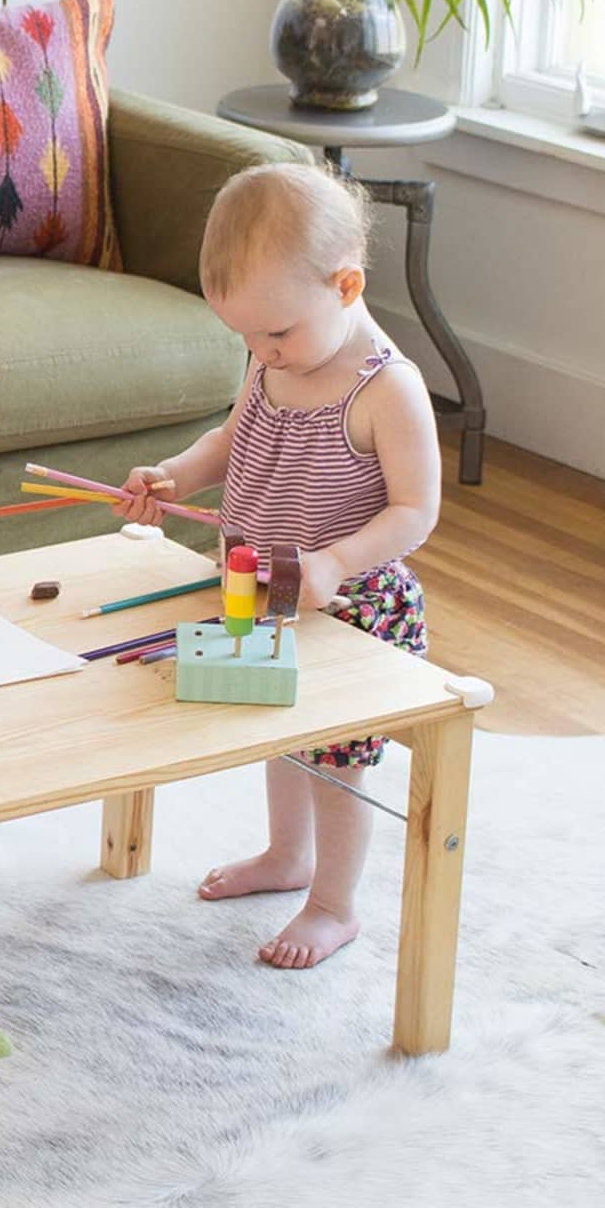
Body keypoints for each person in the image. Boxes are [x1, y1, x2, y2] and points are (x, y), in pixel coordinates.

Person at [116, 162, 441, 969]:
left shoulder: (386, 389)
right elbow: (232, 439)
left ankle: (333, 904)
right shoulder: (275, 356)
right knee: (279, 737)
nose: (262, 353)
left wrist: (335, 561)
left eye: (277, 335)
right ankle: (284, 857)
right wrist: (176, 474)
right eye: (248, 339)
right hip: (263, 586)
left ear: (345, 285)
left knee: (335, 762)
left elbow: (415, 512)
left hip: (353, 606)